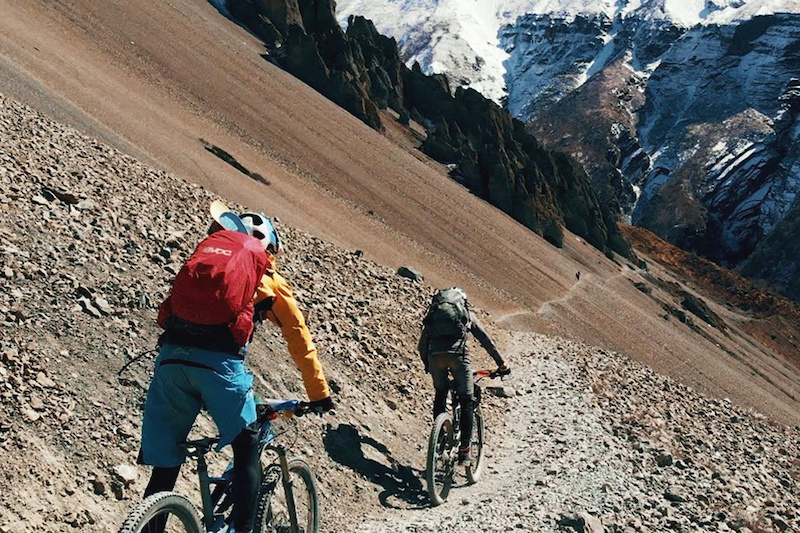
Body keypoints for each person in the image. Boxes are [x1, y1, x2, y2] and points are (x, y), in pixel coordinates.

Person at [138, 202, 333, 533]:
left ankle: (149, 523)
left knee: (166, 464)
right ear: (270, 249)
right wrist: (319, 394)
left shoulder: (207, 264)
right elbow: (299, 338)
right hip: (219, 369)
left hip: (171, 362)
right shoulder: (269, 281)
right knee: (246, 449)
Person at [418, 287, 509, 465]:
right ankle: (465, 451)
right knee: (467, 400)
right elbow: (486, 340)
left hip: (435, 358)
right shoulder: (466, 315)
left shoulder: (434, 316)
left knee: (441, 393)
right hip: (458, 358)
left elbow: (422, 345)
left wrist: (428, 365)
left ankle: (439, 440)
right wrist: (501, 364)